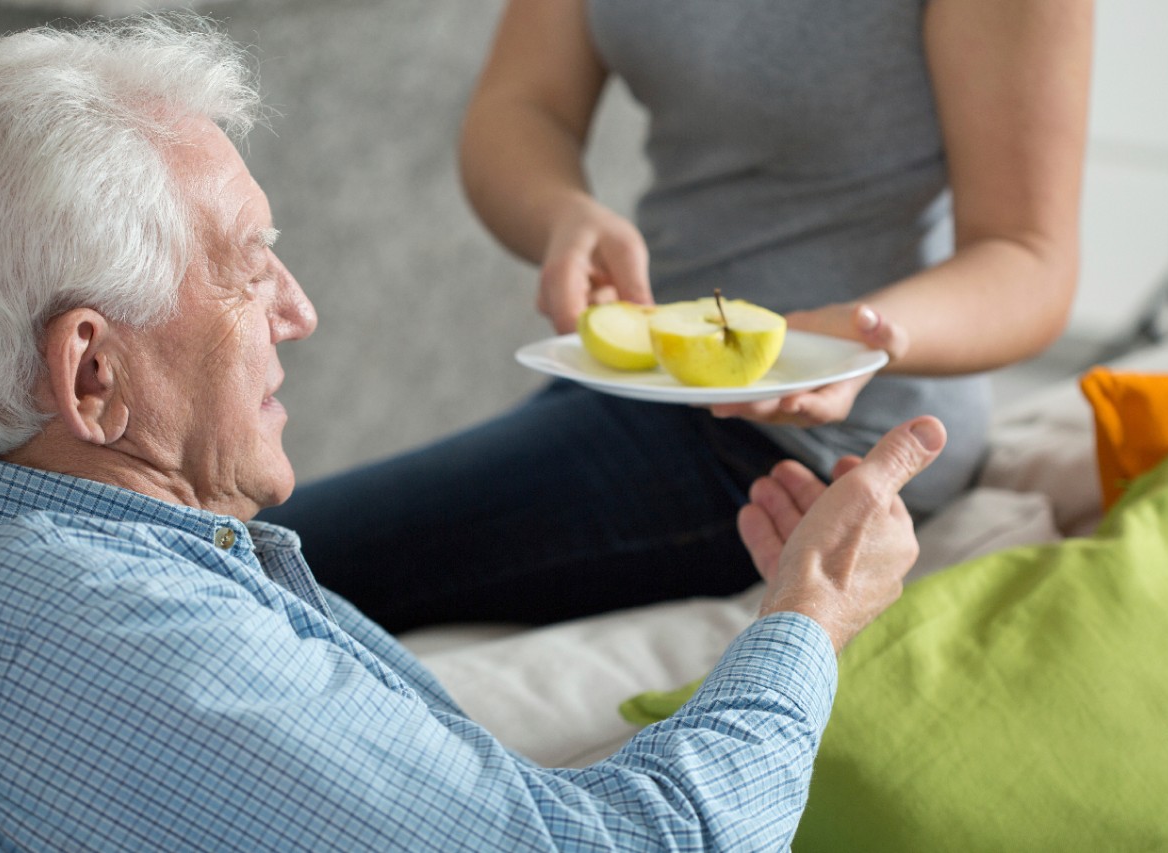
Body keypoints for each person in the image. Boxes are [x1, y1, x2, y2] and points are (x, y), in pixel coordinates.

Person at [0, 14, 949, 850]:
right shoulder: (134, 641)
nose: (298, 310)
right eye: (249, 265)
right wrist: (811, 615)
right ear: (91, 371)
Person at [259, 0, 1093, 633]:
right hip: (644, 387)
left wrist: (861, 340)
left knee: (265, 558)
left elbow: (1028, 257)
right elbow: (523, 106)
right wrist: (561, 214)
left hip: (821, 440)